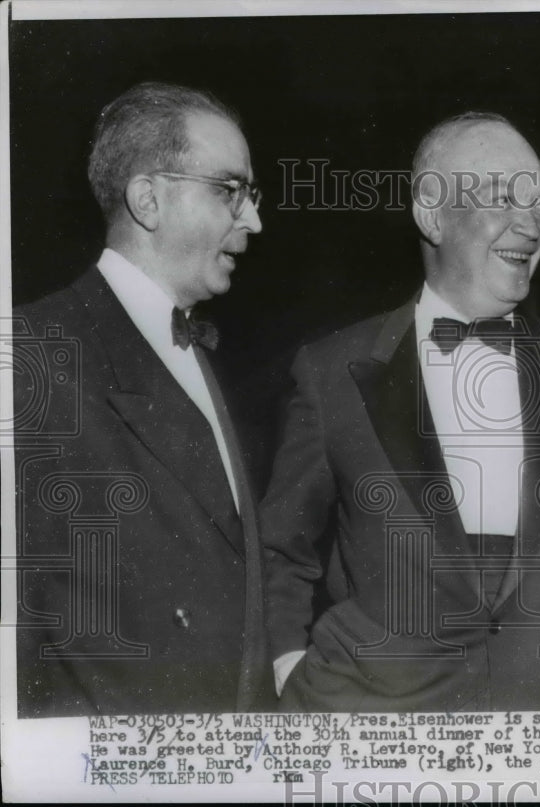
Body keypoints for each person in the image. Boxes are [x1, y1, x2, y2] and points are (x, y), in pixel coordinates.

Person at [262, 111, 540, 711]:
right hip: (383, 739)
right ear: (432, 213)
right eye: (503, 196)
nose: (531, 225)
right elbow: (279, 550)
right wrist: (289, 670)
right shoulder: (329, 372)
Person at [14, 82, 270, 716]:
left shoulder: (202, 356)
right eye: (229, 190)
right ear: (148, 199)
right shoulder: (30, 355)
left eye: (251, 195)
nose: (254, 220)